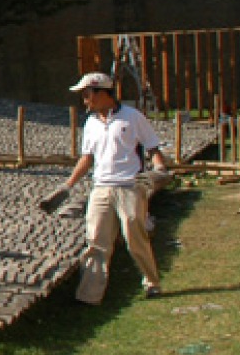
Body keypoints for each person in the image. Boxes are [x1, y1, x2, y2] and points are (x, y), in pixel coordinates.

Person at [54, 71, 171, 303]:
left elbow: (153, 148)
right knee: (96, 241)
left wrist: (159, 170)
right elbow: (86, 159)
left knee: (134, 238)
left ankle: (152, 282)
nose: (85, 100)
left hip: (130, 187)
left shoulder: (132, 117)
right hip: (101, 188)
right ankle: (89, 296)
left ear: (102, 92)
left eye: (87, 95)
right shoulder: (91, 124)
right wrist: (66, 187)